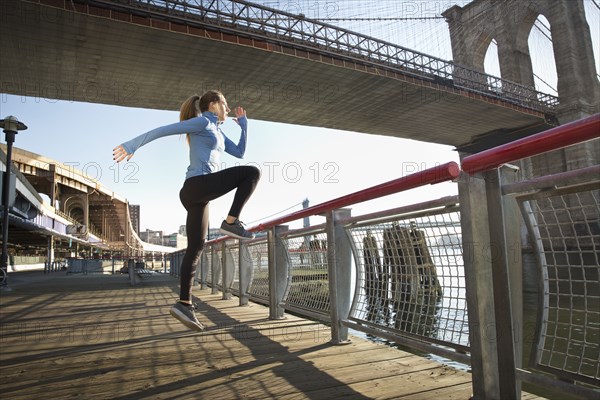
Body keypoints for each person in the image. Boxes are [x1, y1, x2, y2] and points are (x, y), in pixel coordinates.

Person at [113, 90, 261, 331]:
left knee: (195, 248)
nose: (228, 107)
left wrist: (244, 127)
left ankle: (184, 303)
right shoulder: (203, 122)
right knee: (252, 173)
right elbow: (163, 130)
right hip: (196, 186)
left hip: (198, 195)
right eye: (225, 103)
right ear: (213, 105)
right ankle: (231, 222)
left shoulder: (219, 132)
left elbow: (240, 153)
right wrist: (132, 145)